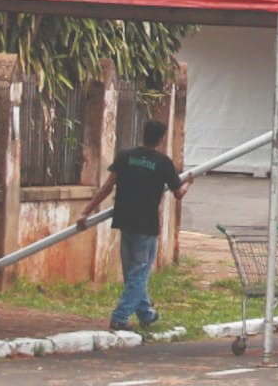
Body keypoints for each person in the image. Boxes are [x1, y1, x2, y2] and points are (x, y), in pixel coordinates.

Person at [77, 119, 192, 331]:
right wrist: (188, 183)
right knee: (139, 274)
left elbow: (107, 186)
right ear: (160, 138)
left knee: (132, 272)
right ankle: (120, 317)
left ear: (143, 134)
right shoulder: (163, 162)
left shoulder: (126, 156)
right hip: (146, 225)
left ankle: (146, 314)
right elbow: (178, 194)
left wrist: (86, 210)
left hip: (125, 220)